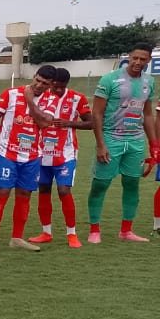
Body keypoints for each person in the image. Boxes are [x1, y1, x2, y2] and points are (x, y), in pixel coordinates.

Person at [88, 43, 159, 243]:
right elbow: (97, 113)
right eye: (134, 58)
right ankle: (94, 230)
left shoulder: (149, 81)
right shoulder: (110, 79)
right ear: (129, 56)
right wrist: (101, 144)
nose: (137, 62)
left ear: (148, 61)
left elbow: (146, 114)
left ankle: (126, 231)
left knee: (132, 183)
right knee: (100, 184)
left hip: (135, 141)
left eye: (142, 59)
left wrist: (154, 145)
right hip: (111, 138)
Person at [0, 67, 55, 253]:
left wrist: (31, 101)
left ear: (50, 85)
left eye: (45, 83)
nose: (39, 85)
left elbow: (44, 122)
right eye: (37, 80)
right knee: (2, 193)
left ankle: (17, 237)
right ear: (34, 76)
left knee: (24, 196)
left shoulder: (50, 100)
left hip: (32, 156)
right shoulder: (11, 94)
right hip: (7, 154)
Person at [32, 67, 91, 246]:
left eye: (61, 87)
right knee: (43, 190)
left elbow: (92, 123)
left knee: (64, 190)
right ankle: (46, 232)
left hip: (65, 153)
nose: (57, 90)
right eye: (54, 86)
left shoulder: (77, 98)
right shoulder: (39, 97)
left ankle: (71, 234)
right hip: (41, 153)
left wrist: (69, 123)